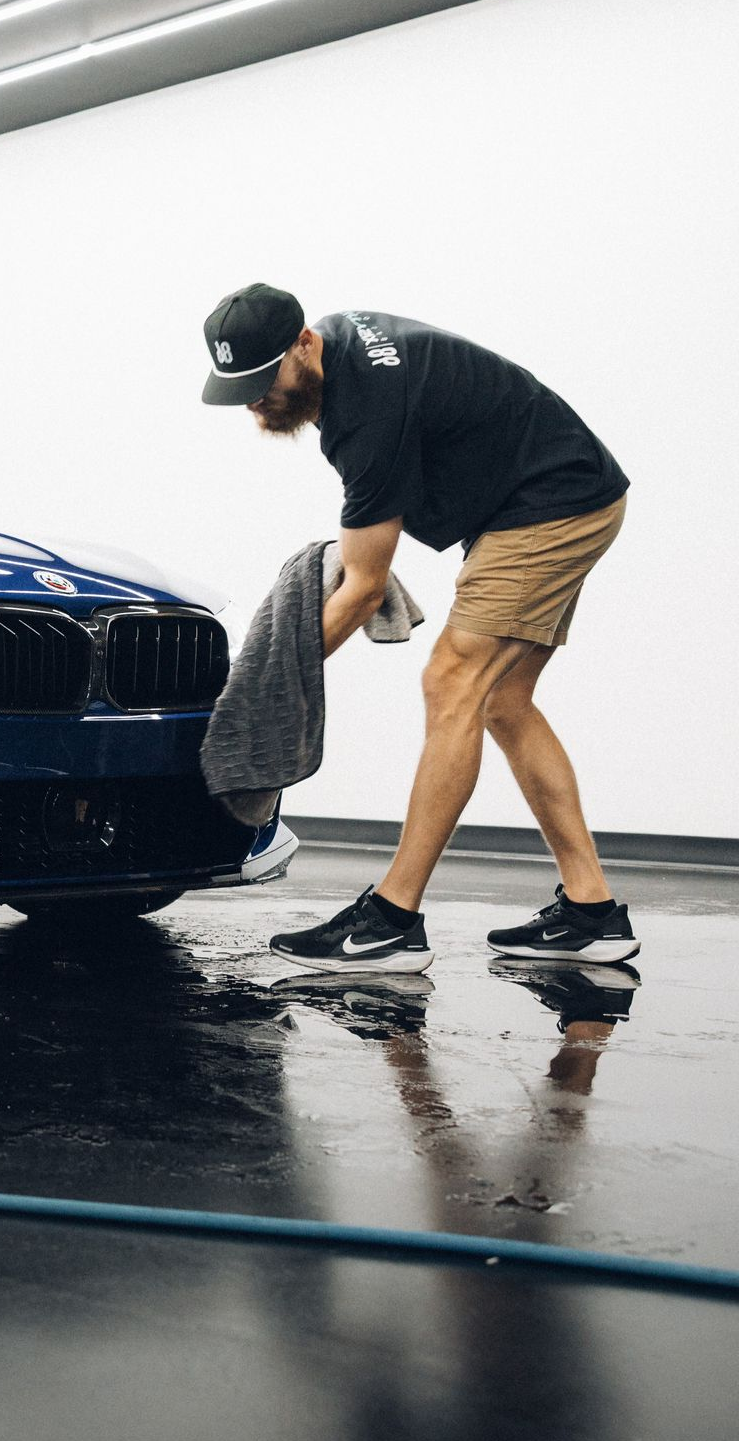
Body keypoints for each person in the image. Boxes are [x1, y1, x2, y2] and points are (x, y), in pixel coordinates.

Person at [200, 284, 635, 975]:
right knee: (502, 700)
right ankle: (592, 913)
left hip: (550, 504)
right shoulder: (346, 358)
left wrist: (255, 696)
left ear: (305, 342)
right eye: (241, 390)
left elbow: (365, 585)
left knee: (451, 680)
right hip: (557, 492)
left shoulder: (366, 410)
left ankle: (392, 920)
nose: (256, 402)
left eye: (264, 381)